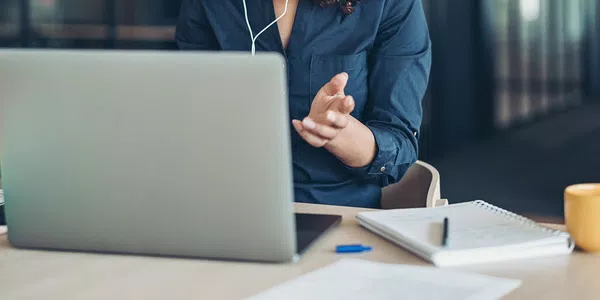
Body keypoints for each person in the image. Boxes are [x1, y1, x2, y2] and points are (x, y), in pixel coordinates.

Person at [175, 0, 432, 208]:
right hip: (225, 207)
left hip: (336, 211)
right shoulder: (207, 5)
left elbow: (400, 143)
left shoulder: (392, 4)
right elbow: (189, 118)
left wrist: (339, 133)